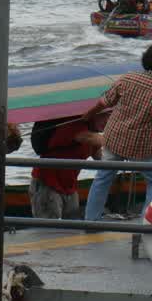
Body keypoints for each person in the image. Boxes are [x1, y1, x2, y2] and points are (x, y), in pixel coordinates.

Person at [81, 45, 152, 221]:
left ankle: (91, 221)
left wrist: (88, 115)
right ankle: (147, 225)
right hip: (141, 146)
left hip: (114, 139)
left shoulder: (128, 78)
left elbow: (103, 102)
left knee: (102, 178)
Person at [29, 117, 102, 219]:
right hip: (47, 184)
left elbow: (102, 160)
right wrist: (121, 138)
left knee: (71, 230)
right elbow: (88, 137)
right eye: (107, 116)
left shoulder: (93, 134)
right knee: (49, 230)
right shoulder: (75, 125)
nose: (109, 121)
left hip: (69, 187)